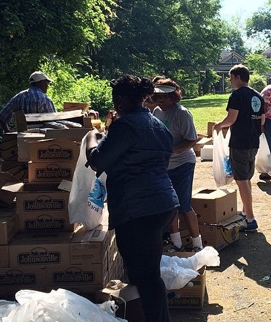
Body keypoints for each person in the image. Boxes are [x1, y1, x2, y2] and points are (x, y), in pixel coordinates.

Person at [85, 74, 179, 322]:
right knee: (143, 272)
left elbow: (97, 161)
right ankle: (141, 315)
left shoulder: (126, 126)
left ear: (124, 99)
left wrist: (92, 138)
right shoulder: (157, 125)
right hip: (163, 204)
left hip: (138, 209)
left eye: (117, 98)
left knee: (147, 276)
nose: (115, 103)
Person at [152, 78, 203, 253]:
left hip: (183, 164)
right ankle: (177, 243)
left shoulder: (182, 113)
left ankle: (197, 244)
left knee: (184, 204)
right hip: (165, 166)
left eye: (165, 98)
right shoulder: (157, 112)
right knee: (170, 205)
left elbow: (191, 139)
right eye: (158, 97)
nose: (161, 101)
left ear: (174, 97)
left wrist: (173, 151)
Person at [214, 64, 265, 232]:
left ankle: (250, 219)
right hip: (253, 142)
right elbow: (262, 121)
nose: (230, 81)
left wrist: (219, 125)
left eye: (231, 78)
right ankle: (245, 212)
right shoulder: (258, 96)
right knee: (246, 179)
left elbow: (231, 119)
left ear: (238, 77)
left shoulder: (237, 95)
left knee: (241, 181)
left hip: (240, 142)